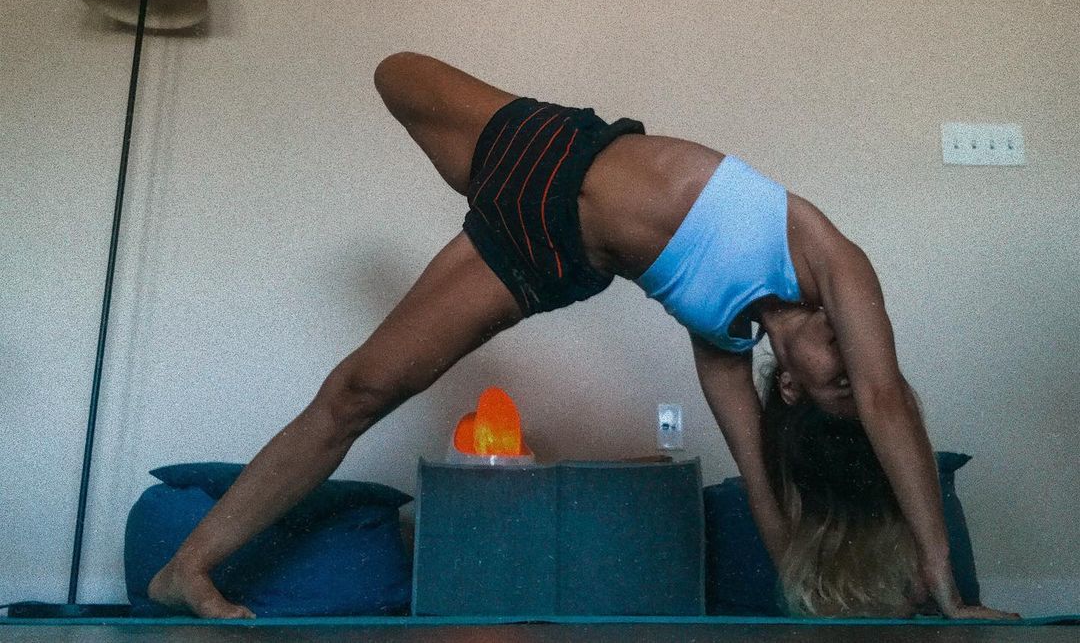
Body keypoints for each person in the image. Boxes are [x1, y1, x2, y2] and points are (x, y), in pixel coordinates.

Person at [149, 52, 1017, 620]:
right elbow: (885, 398)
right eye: (852, 365)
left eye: (836, 378)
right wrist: (936, 556)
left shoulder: (722, 344)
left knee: (358, 392)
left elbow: (763, 483)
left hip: (539, 254)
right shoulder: (826, 253)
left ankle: (186, 568)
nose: (851, 356)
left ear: (788, 384)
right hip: (547, 149)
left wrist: (872, 584)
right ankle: (190, 564)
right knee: (390, 71)